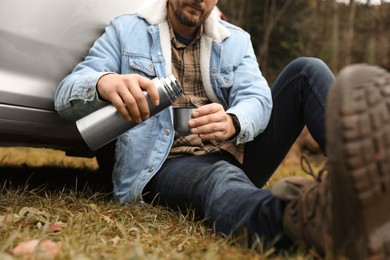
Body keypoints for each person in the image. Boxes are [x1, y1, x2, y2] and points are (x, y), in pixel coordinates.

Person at [54, 0, 390, 258]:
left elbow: (257, 98)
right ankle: (304, 218)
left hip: (236, 146)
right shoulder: (126, 30)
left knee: (307, 71)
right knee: (217, 177)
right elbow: (66, 94)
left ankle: (365, 182)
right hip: (168, 161)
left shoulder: (235, 40)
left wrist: (233, 121)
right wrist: (103, 82)